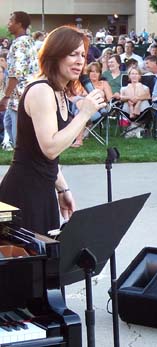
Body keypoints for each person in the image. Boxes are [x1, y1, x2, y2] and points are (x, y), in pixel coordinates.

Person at [0, 25, 107, 235]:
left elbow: (46, 155)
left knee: (44, 262)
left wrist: (62, 188)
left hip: (43, 189)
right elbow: (50, 147)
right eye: (72, 54)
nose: (79, 61)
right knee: (26, 264)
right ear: (55, 55)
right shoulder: (42, 90)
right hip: (24, 193)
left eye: (83, 55)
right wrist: (84, 114)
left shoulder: (59, 92)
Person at [0, 11, 39, 150]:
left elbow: (15, 73)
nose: (8, 24)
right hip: (25, 96)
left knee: (19, 140)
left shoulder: (20, 44)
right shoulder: (28, 40)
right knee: (8, 125)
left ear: (19, 24)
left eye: (11, 21)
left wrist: (6, 97)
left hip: (19, 98)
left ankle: (25, 167)